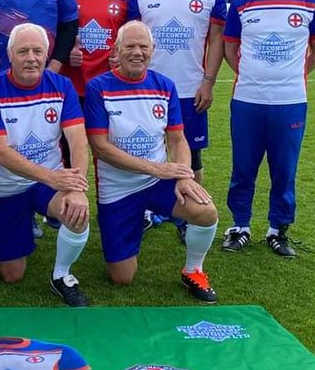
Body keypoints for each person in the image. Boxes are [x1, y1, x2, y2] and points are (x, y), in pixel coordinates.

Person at [85, 21, 219, 302]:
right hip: (117, 190)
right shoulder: (99, 88)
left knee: (206, 212)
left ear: (153, 50)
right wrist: (157, 168)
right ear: (117, 50)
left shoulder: (164, 86)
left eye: (143, 46)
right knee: (122, 278)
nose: (137, 52)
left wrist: (183, 176)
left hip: (158, 183)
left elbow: (177, 140)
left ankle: (193, 270)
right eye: (130, 46)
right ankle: (130, 226)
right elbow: (100, 148)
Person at [221, 0, 315, 258]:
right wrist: (253, 76)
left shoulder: (310, 1)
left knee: (284, 170)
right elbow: (230, 50)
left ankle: (277, 229)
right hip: (247, 102)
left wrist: (290, 76)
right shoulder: (242, 2)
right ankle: (240, 226)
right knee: (243, 168)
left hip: (290, 103)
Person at [0, 23, 92, 307]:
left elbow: (78, 140)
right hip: (6, 187)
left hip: (48, 183)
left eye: (38, 51)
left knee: (77, 213)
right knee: (12, 274)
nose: (31, 58)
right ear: (10, 55)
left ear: (47, 54)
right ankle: (10, 239)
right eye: (23, 51)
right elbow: (0, 153)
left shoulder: (62, 86)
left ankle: (62, 275)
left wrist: (77, 188)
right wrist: (51, 178)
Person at [128, 0, 227, 187]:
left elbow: (217, 38)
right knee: (147, 152)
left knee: (191, 158)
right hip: (148, 90)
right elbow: (131, 40)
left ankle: (190, 206)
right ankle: (149, 205)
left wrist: (208, 83)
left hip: (190, 90)